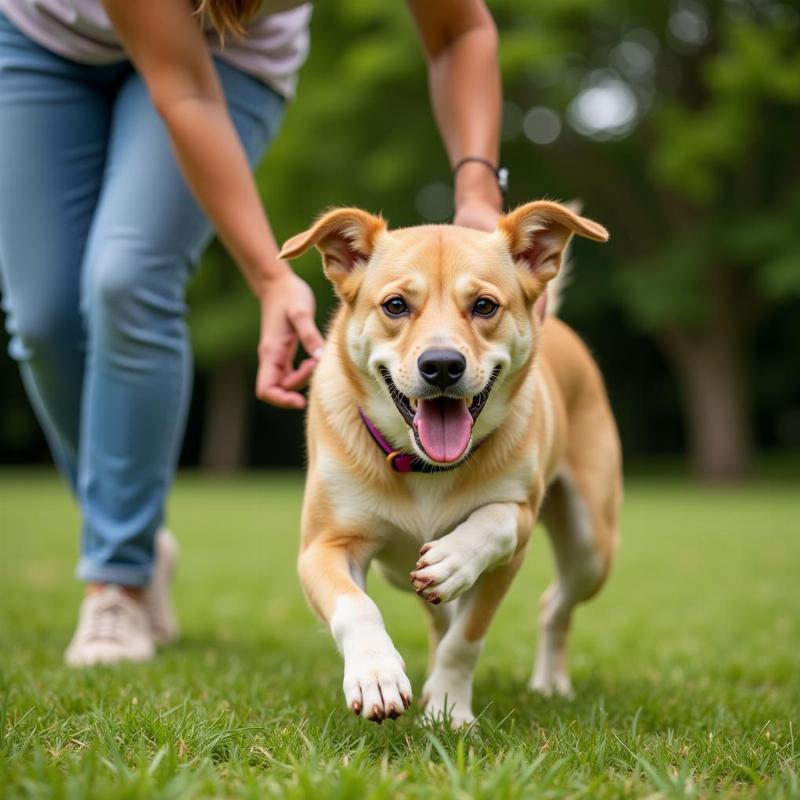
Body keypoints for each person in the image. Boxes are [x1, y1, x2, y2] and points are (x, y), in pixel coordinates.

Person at [0, 0, 503, 665]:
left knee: (126, 278)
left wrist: (478, 190)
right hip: (39, 37)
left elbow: (461, 29)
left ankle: (117, 579)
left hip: (232, 56)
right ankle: (129, 525)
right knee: (44, 318)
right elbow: (177, 90)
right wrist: (271, 278)